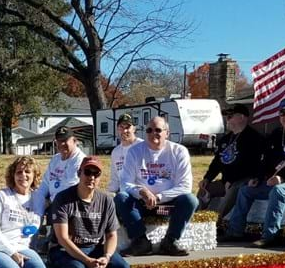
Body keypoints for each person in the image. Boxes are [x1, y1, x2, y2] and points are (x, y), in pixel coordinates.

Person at [224, 97, 285, 247]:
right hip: (280, 178)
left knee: (278, 191)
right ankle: (235, 231)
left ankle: (270, 236)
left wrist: (283, 178)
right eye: (282, 114)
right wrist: (258, 177)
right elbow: (266, 159)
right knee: (245, 190)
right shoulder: (277, 133)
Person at [116, 116, 198, 257]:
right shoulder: (134, 151)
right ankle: (140, 241)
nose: (154, 133)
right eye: (149, 130)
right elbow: (125, 183)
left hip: (168, 206)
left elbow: (185, 186)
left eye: (158, 130)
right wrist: (141, 191)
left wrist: (159, 197)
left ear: (167, 132)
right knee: (121, 198)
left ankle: (170, 241)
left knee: (190, 200)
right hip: (141, 204)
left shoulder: (179, 151)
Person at [197, 104, 266, 227]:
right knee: (204, 190)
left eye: (230, 116)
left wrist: (232, 180)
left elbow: (252, 164)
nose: (227, 119)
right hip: (226, 181)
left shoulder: (254, 138)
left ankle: (214, 224)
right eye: (226, 117)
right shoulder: (225, 139)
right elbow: (217, 162)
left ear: (242, 117)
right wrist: (207, 178)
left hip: (243, 180)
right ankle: (195, 220)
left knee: (234, 188)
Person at [30, 126, 85, 216]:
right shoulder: (55, 158)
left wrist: (49, 201)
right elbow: (46, 183)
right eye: (59, 141)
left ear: (74, 141)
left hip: (69, 203)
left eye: (65, 140)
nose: (62, 144)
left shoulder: (79, 160)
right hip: (53, 200)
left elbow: (70, 188)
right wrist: (39, 198)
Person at [107, 113, 142, 194]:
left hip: (141, 192)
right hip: (123, 193)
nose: (124, 131)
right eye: (121, 127)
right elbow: (115, 179)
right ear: (117, 129)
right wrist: (109, 194)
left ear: (134, 129)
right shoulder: (116, 152)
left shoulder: (142, 147)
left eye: (127, 127)